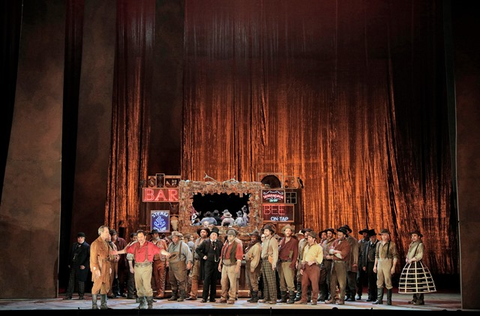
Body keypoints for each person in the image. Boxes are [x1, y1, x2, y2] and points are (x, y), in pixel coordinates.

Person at [116, 230, 171, 309]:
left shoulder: (150, 245)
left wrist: (167, 254)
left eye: (141, 237)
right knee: (139, 287)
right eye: (138, 237)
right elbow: (126, 250)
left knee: (147, 286)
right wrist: (116, 252)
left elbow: (159, 250)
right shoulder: (135, 245)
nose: (140, 239)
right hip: (137, 267)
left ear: (145, 237)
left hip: (146, 267)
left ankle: (149, 305)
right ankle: (142, 304)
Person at [398, 230, 436, 305]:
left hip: (417, 264)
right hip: (411, 264)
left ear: (419, 237)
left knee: (418, 282)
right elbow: (409, 253)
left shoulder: (420, 244)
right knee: (413, 282)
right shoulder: (412, 244)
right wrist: (407, 258)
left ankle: (420, 300)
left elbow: (419, 255)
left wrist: (412, 259)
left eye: (415, 236)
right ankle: (414, 298)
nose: (413, 237)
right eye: (412, 236)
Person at [90, 225, 114, 310]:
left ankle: (104, 304)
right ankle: (94, 305)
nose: (108, 234)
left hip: (106, 266)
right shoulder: (95, 243)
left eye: (108, 232)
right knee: (97, 285)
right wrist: (95, 268)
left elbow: (109, 255)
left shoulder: (106, 243)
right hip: (100, 267)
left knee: (105, 285)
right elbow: (93, 258)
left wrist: (110, 267)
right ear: (101, 232)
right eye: (106, 232)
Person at [325, 226, 351, 305]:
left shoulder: (346, 244)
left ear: (344, 235)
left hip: (341, 264)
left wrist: (334, 253)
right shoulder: (335, 241)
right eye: (338, 235)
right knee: (332, 282)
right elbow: (329, 250)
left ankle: (341, 299)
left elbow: (342, 255)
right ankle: (332, 298)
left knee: (342, 283)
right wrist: (337, 252)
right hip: (334, 263)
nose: (338, 236)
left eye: (340, 235)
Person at [295, 230, 323, 305]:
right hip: (305, 266)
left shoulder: (318, 247)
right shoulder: (306, 246)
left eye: (310, 237)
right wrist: (301, 267)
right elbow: (303, 258)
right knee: (303, 283)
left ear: (314, 238)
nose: (308, 239)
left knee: (314, 283)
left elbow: (320, 258)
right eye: (308, 237)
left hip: (314, 267)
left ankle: (314, 299)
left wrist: (314, 261)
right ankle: (303, 299)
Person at [196, 226, 223, 303]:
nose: (214, 236)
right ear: (210, 235)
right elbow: (198, 250)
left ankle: (212, 297)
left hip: (216, 264)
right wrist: (203, 256)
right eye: (213, 234)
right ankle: (204, 297)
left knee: (214, 281)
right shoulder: (205, 242)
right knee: (206, 280)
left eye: (215, 235)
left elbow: (222, 253)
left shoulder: (220, 243)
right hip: (207, 264)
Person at [373, 228, 399, 305]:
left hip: (388, 261)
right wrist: (375, 266)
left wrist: (393, 266)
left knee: (388, 280)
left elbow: (395, 256)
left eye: (385, 235)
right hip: (380, 262)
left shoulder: (392, 244)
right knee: (379, 281)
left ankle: (388, 300)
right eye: (382, 235)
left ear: (388, 236)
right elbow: (376, 255)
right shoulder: (378, 244)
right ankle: (379, 299)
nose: (384, 236)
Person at [218, 228, 243, 304]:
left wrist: (237, 267)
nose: (229, 238)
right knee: (223, 282)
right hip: (225, 265)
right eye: (228, 236)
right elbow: (222, 255)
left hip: (232, 265)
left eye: (231, 236)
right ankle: (223, 297)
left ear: (234, 237)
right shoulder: (225, 244)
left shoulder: (237, 244)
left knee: (232, 282)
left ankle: (232, 297)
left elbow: (239, 257)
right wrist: (220, 264)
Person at [167, 231, 193, 302]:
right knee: (172, 281)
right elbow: (168, 254)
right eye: (173, 237)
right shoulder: (170, 245)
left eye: (175, 237)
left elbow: (189, 254)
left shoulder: (183, 245)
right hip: (172, 265)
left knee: (181, 281)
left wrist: (189, 263)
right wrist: (167, 260)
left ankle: (182, 295)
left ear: (178, 238)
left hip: (180, 265)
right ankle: (174, 295)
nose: (174, 239)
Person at [64, 232, 90, 300]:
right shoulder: (74, 245)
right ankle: (69, 295)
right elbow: (70, 255)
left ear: (84, 238)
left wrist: (84, 265)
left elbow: (89, 257)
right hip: (74, 265)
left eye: (81, 238)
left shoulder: (87, 246)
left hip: (81, 266)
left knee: (81, 281)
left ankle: (81, 295)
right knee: (71, 280)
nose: (80, 239)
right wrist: (69, 263)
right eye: (78, 238)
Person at [277, 224, 298, 304]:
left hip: (288, 262)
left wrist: (293, 263)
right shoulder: (282, 240)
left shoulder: (294, 241)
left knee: (289, 281)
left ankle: (292, 298)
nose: (288, 232)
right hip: (281, 262)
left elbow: (296, 253)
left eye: (289, 230)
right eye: (286, 230)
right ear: (284, 232)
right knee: (282, 281)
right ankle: (283, 297)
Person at [187, 227, 210, 300]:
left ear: (207, 233)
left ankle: (206, 295)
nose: (202, 233)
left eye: (204, 232)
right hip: (196, 261)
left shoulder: (209, 241)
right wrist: (192, 262)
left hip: (205, 262)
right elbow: (194, 251)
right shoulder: (197, 240)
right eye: (201, 232)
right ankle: (193, 295)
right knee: (194, 277)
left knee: (205, 278)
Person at [258, 224, 279, 304]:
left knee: (271, 280)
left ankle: (273, 298)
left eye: (267, 230)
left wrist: (274, 263)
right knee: (265, 281)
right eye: (264, 230)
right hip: (264, 261)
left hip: (269, 260)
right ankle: (266, 297)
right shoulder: (265, 240)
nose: (265, 232)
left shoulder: (273, 240)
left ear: (270, 232)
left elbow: (275, 252)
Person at [341, 224, 359, 302]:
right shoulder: (341, 240)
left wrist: (355, 262)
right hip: (343, 263)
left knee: (351, 280)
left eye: (346, 231)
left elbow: (355, 252)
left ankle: (352, 295)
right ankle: (347, 294)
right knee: (345, 281)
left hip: (351, 262)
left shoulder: (353, 240)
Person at [108, 229, 127, 298]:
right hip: (112, 264)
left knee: (121, 279)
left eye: (115, 235)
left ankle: (122, 292)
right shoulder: (108, 243)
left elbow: (125, 250)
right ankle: (113, 292)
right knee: (112, 279)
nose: (114, 237)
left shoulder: (122, 241)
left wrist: (123, 259)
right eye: (112, 235)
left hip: (121, 263)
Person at [150, 228, 168, 299]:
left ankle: (161, 293)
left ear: (157, 234)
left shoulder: (162, 242)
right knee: (156, 277)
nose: (153, 235)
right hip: (153, 261)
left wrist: (167, 261)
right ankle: (158, 292)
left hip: (161, 260)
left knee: (162, 277)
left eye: (154, 234)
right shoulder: (150, 242)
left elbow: (166, 251)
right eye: (152, 234)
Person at [245, 230, 262, 303]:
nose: (252, 238)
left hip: (253, 266)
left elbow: (256, 258)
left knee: (253, 281)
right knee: (249, 281)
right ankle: (252, 296)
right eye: (251, 237)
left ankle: (255, 297)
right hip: (249, 264)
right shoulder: (251, 245)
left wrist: (253, 267)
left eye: (254, 237)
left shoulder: (257, 246)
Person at [361, 229, 379, 302]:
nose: (372, 238)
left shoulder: (378, 243)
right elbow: (364, 254)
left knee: (376, 281)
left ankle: (377, 296)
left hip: (376, 264)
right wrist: (364, 265)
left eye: (373, 237)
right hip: (368, 264)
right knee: (370, 281)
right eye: (371, 237)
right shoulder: (367, 244)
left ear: (375, 236)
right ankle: (370, 296)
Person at [319, 228, 336, 301]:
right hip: (323, 261)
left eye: (330, 233)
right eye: (327, 233)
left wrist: (331, 257)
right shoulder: (324, 242)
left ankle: (330, 295)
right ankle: (323, 294)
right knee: (321, 279)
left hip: (330, 262)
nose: (328, 235)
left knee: (329, 280)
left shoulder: (334, 242)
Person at [356, 228, 370, 300]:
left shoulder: (370, 242)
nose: (364, 235)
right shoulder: (360, 242)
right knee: (359, 279)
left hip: (369, 262)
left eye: (366, 233)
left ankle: (370, 294)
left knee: (370, 279)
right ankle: (359, 293)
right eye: (363, 233)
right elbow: (358, 253)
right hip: (361, 262)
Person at [125, 232, 138, 299]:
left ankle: (135, 294)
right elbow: (129, 255)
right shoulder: (131, 245)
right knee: (131, 279)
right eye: (134, 238)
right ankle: (131, 294)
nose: (136, 239)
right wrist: (131, 267)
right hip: (133, 262)